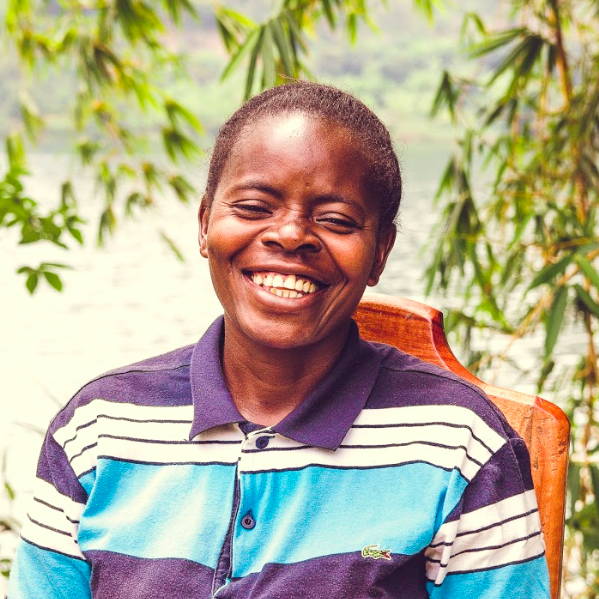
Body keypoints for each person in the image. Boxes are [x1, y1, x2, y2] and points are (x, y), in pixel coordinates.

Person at [7, 82, 550, 598]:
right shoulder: (99, 427)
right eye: (252, 207)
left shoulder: (458, 443)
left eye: (335, 219)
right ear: (204, 223)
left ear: (381, 251)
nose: (290, 235)